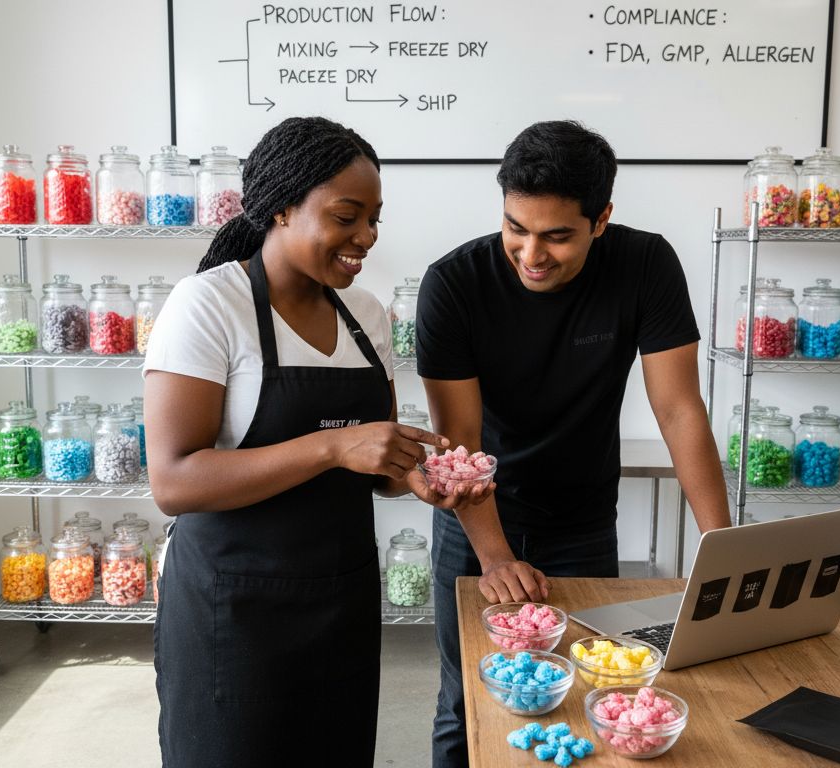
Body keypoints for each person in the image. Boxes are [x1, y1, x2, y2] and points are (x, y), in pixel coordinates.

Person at [144, 116, 489, 767]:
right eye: (347, 216)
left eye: (374, 219)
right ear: (280, 208)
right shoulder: (208, 306)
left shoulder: (366, 316)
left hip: (341, 602)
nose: (367, 237)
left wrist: (420, 474)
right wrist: (331, 447)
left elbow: (375, 466)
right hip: (233, 611)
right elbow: (173, 481)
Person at [417, 120, 732, 767]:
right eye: (516, 228)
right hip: (477, 526)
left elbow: (679, 410)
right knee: (467, 703)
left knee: (587, 693)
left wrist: (721, 549)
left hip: (585, 527)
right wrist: (498, 557)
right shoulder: (454, 284)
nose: (531, 254)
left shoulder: (645, 265)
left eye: (556, 236)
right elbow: (462, 447)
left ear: (600, 220)